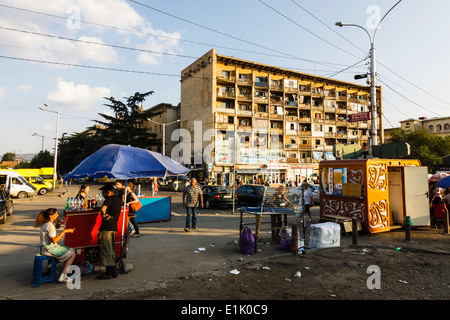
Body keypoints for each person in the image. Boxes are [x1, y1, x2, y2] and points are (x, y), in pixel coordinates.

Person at [34, 208, 76, 283]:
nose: (58, 215)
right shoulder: (50, 226)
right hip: (50, 250)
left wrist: (58, 224)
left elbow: (52, 230)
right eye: (56, 214)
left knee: (67, 250)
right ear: (51, 216)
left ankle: (51, 267)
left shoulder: (46, 224)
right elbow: (54, 240)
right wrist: (65, 231)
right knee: (72, 253)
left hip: (44, 248)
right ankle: (63, 276)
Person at [97, 184, 123, 279]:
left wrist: (103, 215)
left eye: (103, 193)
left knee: (106, 249)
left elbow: (103, 209)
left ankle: (108, 273)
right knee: (111, 250)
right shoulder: (117, 199)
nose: (102, 194)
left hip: (106, 228)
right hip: (113, 228)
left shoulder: (109, 199)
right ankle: (113, 271)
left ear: (108, 192)